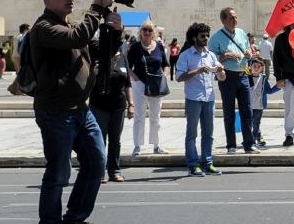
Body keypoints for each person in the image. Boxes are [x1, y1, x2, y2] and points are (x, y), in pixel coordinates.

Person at [28, 0, 114, 224]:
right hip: (56, 111)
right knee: (58, 172)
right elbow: (79, 37)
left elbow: (93, 46)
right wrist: (97, 9)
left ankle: (74, 220)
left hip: (80, 109)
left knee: (97, 163)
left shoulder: (68, 26)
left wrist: (114, 30)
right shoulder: (44, 28)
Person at [176, 22, 224, 177]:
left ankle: (207, 162)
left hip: (209, 97)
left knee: (208, 133)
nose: (206, 38)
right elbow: (179, 77)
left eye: (207, 35)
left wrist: (222, 71)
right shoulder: (186, 55)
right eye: (202, 36)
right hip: (193, 98)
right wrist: (197, 71)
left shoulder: (210, 55)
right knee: (192, 133)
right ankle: (192, 164)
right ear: (194, 37)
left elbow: (221, 77)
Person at [208, 6, 258, 153]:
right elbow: (210, 60)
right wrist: (225, 56)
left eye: (236, 17)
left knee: (247, 111)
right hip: (227, 77)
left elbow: (248, 50)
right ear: (224, 20)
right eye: (231, 18)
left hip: (242, 75)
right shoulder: (216, 38)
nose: (235, 20)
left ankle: (249, 144)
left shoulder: (242, 33)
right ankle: (231, 145)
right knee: (229, 111)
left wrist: (249, 53)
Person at [89, 14, 132, 183]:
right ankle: (99, 171)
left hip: (118, 104)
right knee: (100, 139)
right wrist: (94, 73)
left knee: (116, 140)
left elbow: (127, 82)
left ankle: (114, 170)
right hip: (99, 104)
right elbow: (87, 80)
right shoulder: (96, 56)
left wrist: (131, 104)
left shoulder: (122, 58)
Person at [127, 20, 168, 156]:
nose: (147, 32)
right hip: (140, 84)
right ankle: (137, 146)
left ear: (153, 33)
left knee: (155, 116)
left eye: (150, 30)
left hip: (156, 83)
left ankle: (156, 145)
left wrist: (165, 76)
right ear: (140, 32)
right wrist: (135, 79)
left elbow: (166, 64)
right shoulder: (135, 47)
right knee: (139, 116)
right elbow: (127, 66)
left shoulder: (159, 47)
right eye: (144, 29)